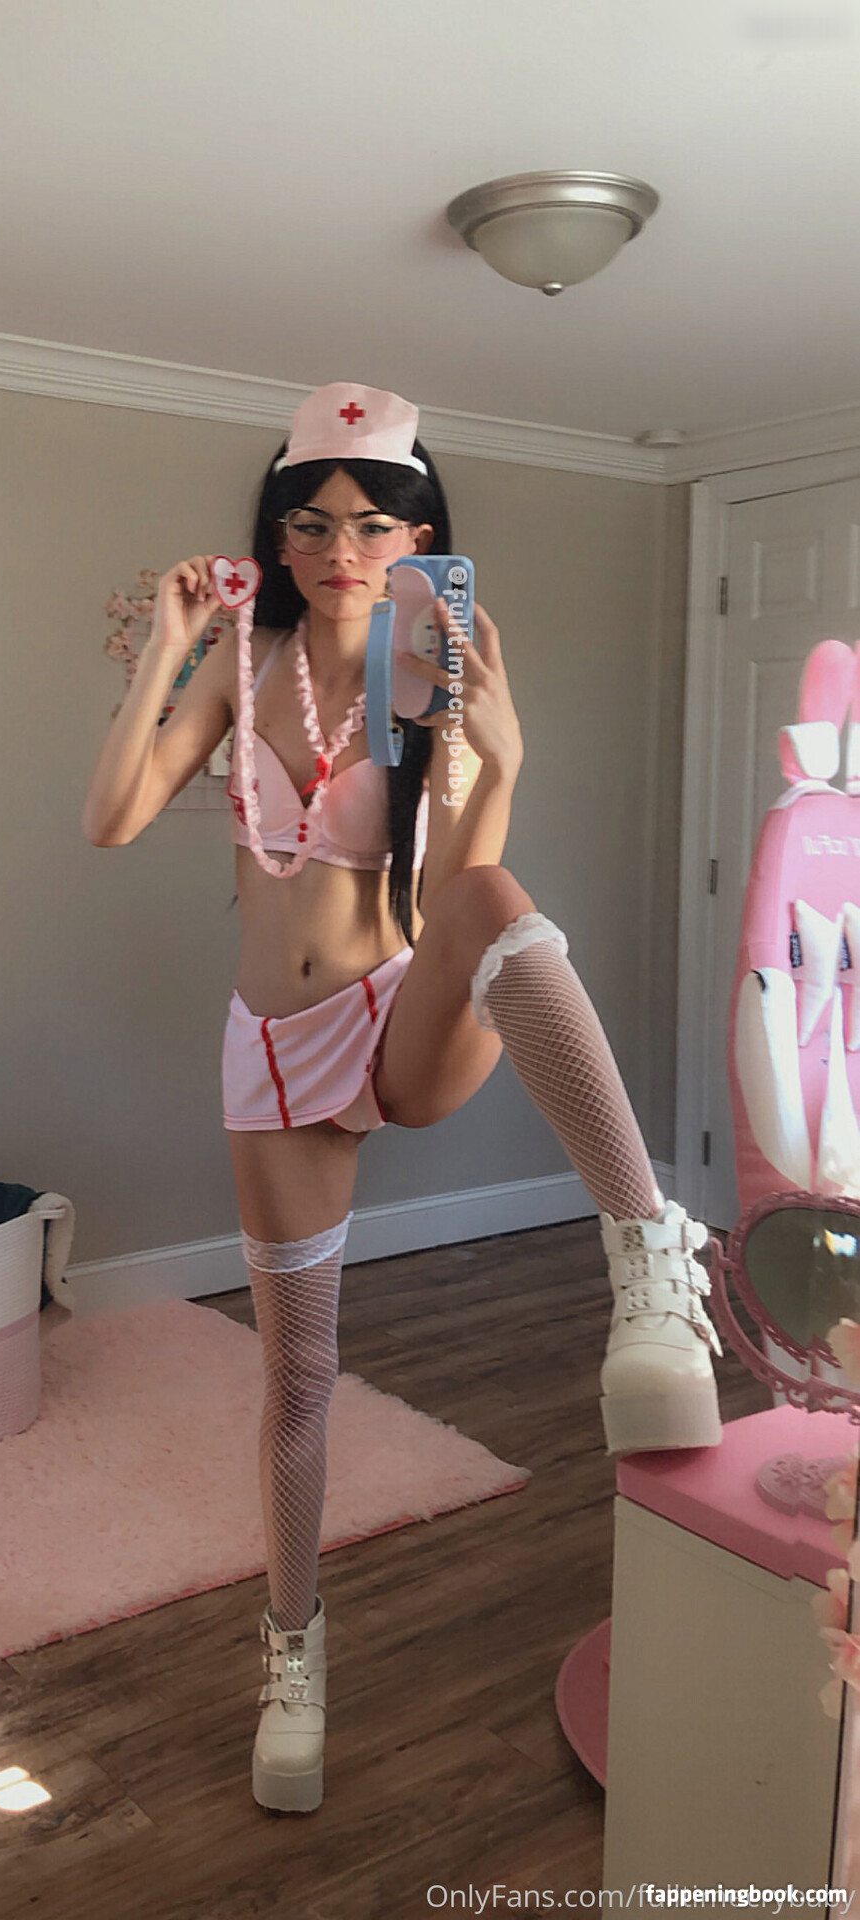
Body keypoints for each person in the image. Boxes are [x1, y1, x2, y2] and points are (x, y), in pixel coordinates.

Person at [82, 382, 723, 1816]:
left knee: (495, 891)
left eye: (375, 525)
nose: (341, 549)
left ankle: (646, 1257)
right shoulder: (244, 663)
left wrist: (504, 753)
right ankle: (291, 1658)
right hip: (276, 1052)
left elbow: (454, 885)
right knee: (296, 1379)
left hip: (401, 1018)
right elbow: (111, 818)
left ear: (420, 537)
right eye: (311, 523)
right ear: (278, 536)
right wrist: (171, 653)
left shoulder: (428, 671)